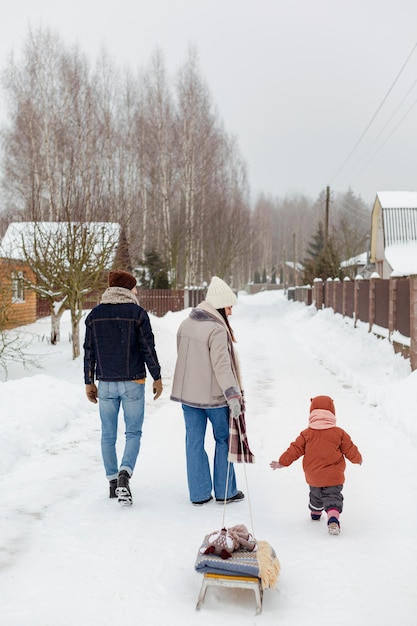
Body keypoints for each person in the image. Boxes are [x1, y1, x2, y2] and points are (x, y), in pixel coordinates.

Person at [83, 270, 162, 506]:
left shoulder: (94, 316)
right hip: (133, 382)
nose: (137, 291)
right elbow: (148, 347)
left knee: (108, 433)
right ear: (128, 289)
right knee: (133, 432)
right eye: (134, 287)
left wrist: (89, 381)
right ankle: (124, 474)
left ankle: (111, 481)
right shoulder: (138, 314)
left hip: (106, 383)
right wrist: (157, 377)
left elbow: (89, 350)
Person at [171, 276, 245, 506]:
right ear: (220, 306)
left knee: (193, 442)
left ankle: (199, 494)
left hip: (188, 397)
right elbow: (222, 366)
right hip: (214, 399)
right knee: (223, 440)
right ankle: (225, 492)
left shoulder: (186, 323)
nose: (231, 312)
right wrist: (232, 394)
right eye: (230, 307)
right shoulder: (216, 329)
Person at [270, 395, 362, 535]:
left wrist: (282, 462)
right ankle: (332, 520)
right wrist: (357, 459)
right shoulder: (339, 433)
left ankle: (315, 514)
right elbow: (350, 448)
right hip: (334, 477)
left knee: (316, 496)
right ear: (332, 412)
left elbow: (294, 449)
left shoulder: (306, 434)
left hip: (314, 476)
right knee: (333, 498)